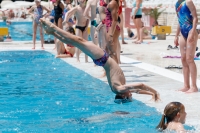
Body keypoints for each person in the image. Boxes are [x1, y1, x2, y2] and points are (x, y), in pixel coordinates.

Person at [40, 18, 160, 103]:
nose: (131, 94)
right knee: (75, 42)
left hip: (102, 58)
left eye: (129, 96)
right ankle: (52, 32)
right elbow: (138, 90)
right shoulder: (121, 89)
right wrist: (152, 94)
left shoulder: (119, 89)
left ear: (123, 96)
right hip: (102, 60)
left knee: (77, 40)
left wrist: (156, 92)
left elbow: (141, 85)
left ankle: (53, 28)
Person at [174, 0, 199, 93]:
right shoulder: (177, 4)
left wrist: (193, 31)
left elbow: (195, 17)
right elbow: (179, 21)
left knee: (189, 59)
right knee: (183, 59)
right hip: (183, 33)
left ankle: (194, 86)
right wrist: (176, 35)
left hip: (190, 31)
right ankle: (186, 85)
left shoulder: (188, 2)